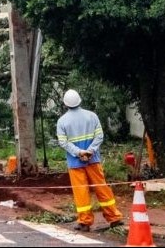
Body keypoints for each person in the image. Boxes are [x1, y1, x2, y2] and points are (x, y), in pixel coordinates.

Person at [56, 89, 124, 232]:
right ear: (80, 100)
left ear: (65, 104)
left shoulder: (62, 121)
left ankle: (85, 222)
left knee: (81, 192)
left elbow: (63, 142)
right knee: (102, 188)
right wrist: (90, 151)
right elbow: (99, 136)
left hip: (75, 162)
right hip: (93, 160)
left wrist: (79, 153)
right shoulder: (92, 116)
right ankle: (114, 218)